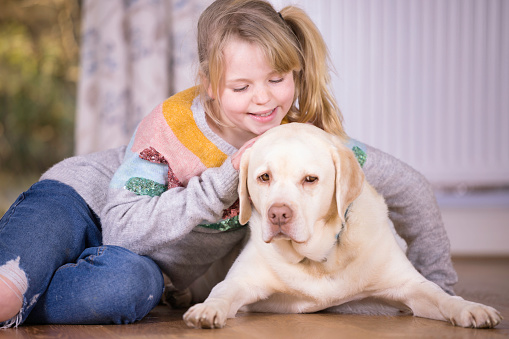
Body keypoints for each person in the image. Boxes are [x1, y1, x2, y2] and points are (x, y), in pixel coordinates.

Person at [0, 0, 457, 328]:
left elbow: (410, 186)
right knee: (9, 286)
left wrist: (441, 287)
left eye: (277, 80)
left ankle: (37, 286)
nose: (263, 98)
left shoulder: (305, 144)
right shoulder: (171, 125)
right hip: (80, 199)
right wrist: (222, 180)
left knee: (120, 295)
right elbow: (122, 227)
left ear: (294, 73)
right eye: (241, 87)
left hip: (137, 264)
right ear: (210, 85)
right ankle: (22, 285)